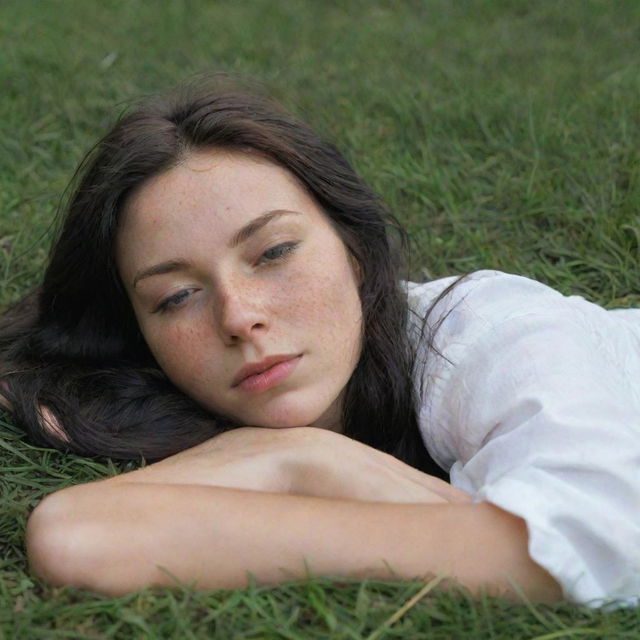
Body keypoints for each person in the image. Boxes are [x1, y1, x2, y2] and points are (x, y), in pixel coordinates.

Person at [0, 79, 637, 607]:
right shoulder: (159, 399)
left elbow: (600, 545)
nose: (239, 317)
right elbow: (74, 535)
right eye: (175, 297)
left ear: (356, 252)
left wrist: (303, 462)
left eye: (273, 252)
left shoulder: (488, 330)